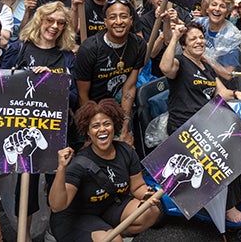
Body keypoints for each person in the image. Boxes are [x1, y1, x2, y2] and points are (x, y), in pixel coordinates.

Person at [160, 21, 241, 223]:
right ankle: (228, 207)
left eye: (201, 37)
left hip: (206, 123)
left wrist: (238, 93)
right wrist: (175, 36)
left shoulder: (204, 66)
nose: (199, 41)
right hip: (185, 127)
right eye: (192, 38)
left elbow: (221, 92)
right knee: (227, 150)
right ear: (184, 45)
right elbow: (165, 68)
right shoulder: (179, 62)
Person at [3, 2, 78, 238]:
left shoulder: (66, 56)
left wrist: (53, 78)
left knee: (56, 184)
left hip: (55, 130)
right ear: (40, 20)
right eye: (49, 20)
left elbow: (74, 97)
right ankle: (23, 235)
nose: (54, 26)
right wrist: (17, 75)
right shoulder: (20, 47)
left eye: (60, 23)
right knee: (25, 187)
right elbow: (1, 84)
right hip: (24, 131)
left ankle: (54, 231)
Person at [48, 99, 160, 242]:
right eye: (95, 126)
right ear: (88, 132)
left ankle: (112, 232)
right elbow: (57, 206)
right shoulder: (78, 164)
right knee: (114, 240)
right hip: (77, 217)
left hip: (108, 207)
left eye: (107, 124)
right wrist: (61, 168)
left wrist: (147, 195)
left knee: (151, 212)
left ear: (114, 126)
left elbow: (137, 186)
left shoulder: (126, 151)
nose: (102, 129)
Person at [74, 0, 145, 144]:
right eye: (112, 17)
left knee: (126, 145)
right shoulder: (89, 49)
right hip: (88, 110)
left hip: (115, 108)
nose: (118, 22)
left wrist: (125, 128)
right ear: (105, 22)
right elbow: (82, 94)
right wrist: (91, 130)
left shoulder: (138, 45)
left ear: (131, 20)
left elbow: (129, 88)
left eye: (123, 16)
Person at [194, 0, 241, 89]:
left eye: (222, 6)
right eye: (214, 4)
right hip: (194, 80)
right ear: (207, 8)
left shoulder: (232, 35)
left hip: (220, 86)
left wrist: (205, 59)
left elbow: (229, 74)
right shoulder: (197, 24)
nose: (217, 9)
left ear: (228, 12)